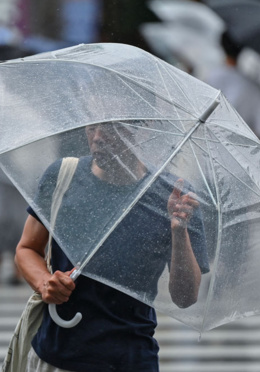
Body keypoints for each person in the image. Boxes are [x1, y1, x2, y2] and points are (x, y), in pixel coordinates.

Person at [15, 122, 209, 371]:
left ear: (143, 131)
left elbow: (185, 297)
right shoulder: (63, 175)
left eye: (111, 129)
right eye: (91, 128)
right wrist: (45, 283)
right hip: (58, 355)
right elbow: (27, 248)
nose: (97, 138)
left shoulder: (173, 196)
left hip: (131, 359)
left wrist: (179, 232)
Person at [204, 32, 260, 154]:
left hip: (209, 153)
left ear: (221, 46)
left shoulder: (207, 80)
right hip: (240, 157)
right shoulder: (252, 87)